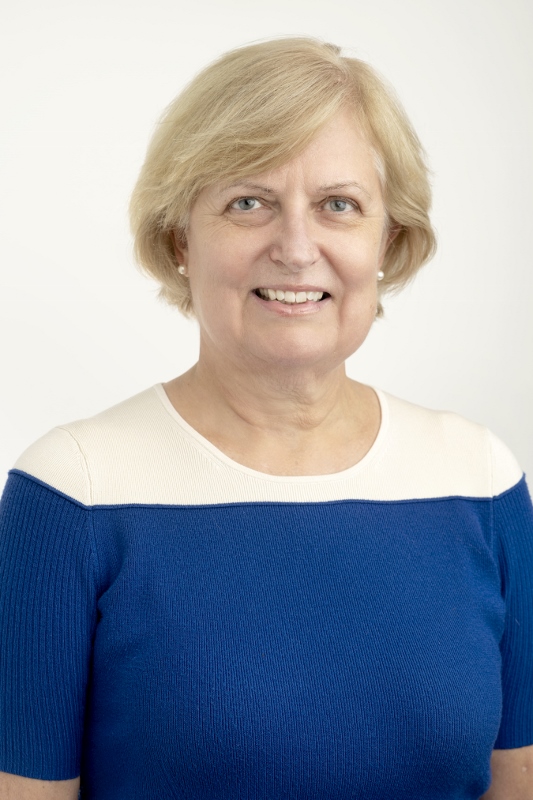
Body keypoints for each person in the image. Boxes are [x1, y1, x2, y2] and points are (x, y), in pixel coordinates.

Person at [0, 36, 532, 800]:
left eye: (338, 205)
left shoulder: (480, 480)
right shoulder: (71, 492)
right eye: (247, 202)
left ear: (388, 239)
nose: (295, 248)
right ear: (181, 240)